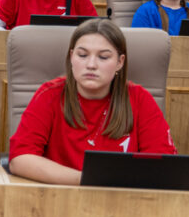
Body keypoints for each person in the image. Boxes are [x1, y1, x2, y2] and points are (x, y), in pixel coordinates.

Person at [9, 19, 175, 184]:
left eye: (103, 57)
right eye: (82, 55)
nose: (91, 65)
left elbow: (164, 164)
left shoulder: (140, 99)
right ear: (71, 57)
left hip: (123, 202)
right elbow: (20, 159)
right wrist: (87, 179)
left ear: (119, 62)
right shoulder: (49, 95)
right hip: (59, 199)